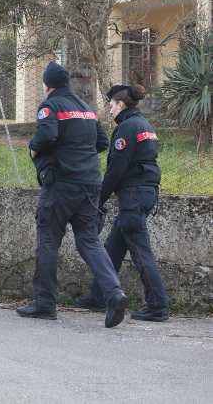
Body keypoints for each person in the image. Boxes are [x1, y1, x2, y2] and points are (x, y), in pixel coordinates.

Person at [17, 61, 129, 328]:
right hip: (90, 185)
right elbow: (101, 142)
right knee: (89, 241)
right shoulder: (86, 109)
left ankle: (45, 303)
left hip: (60, 186)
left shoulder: (50, 106)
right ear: (66, 82)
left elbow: (46, 135)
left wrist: (33, 149)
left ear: (47, 85)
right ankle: (114, 294)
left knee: (48, 241)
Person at [75, 84, 169, 322]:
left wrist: (98, 199)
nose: (109, 109)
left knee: (140, 251)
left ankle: (158, 306)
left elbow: (116, 170)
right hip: (145, 193)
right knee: (113, 247)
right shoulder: (145, 125)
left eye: (111, 105)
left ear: (121, 104)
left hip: (134, 196)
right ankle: (99, 295)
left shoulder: (127, 128)